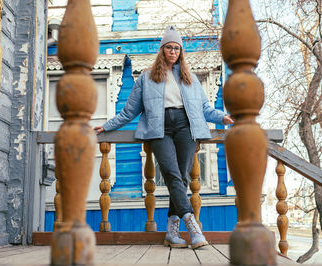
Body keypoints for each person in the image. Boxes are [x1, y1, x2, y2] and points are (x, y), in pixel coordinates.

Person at [94, 26, 233, 249]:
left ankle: (171, 231)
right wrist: (108, 126)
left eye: (177, 48)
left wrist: (222, 117)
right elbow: (129, 111)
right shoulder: (147, 77)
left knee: (181, 178)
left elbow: (205, 107)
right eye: (169, 47)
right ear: (162, 50)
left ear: (180, 51)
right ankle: (192, 225)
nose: (173, 51)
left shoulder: (190, 78)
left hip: (186, 127)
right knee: (171, 173)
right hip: (159, 129)